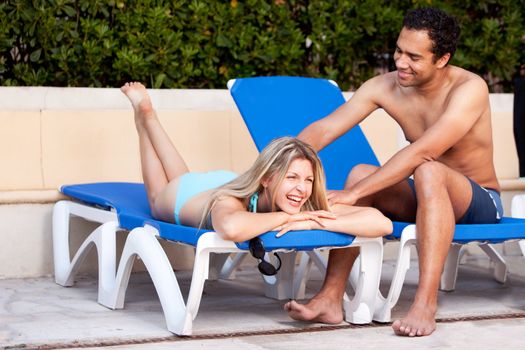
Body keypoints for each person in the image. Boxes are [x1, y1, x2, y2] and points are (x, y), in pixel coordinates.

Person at [285, 7, 503, 337]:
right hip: (428, 198)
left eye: (414, 57)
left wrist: (354, 195)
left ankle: (425, 304)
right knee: (360, 172)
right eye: (399, 51)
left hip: (479, 201)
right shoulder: (384, 86)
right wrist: (277, 169)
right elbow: (324, 129)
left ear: (442, 59)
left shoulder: (469, 89)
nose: (401, 62)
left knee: (428, 170)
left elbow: (424, 151)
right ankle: (330, 298)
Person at [120, 82, 392, 246]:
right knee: (157, 198)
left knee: (181, 174)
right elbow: (231, 228)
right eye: (292, 177)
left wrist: (308, 223)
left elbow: (381, 224)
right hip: (185, 196)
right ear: (267, 178)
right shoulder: (231, 202)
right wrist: (290, 217)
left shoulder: (304, 205)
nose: (302, 188)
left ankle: (148, 117)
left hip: (219, 181)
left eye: (308, 180)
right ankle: (144, 120)